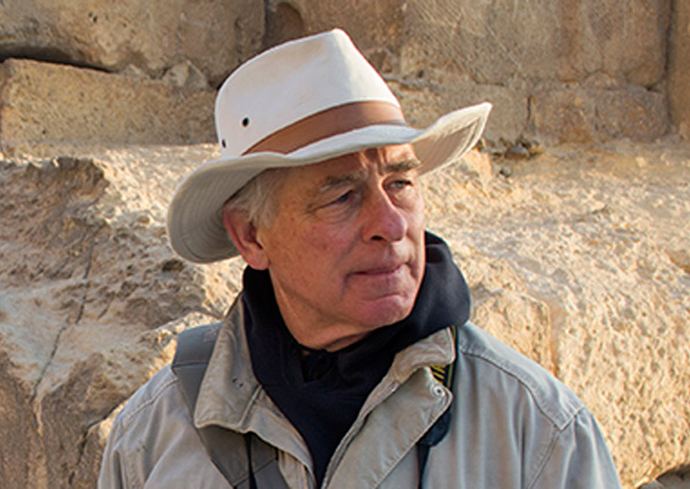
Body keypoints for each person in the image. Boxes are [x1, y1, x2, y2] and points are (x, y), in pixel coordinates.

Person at [99, 29, 622, 488]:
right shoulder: (153, 434)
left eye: (400, 183)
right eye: (342, 196)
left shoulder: (537, 431)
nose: (391, 225)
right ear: (252, 235)